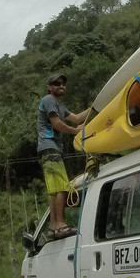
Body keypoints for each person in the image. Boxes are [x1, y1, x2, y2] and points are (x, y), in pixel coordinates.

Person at [37, 74, 91, 239]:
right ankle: (60, 225)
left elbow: (76, 118)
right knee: (61, 187)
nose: (61, 85)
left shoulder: (60, 106)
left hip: (51, 150)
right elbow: (57, 124)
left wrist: (95, 107)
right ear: (49, 87)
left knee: (54, 190)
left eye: (63, 83)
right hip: (50, 148)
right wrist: (75, 131)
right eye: (56, 83)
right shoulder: (48, 100)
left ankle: (54, 227)